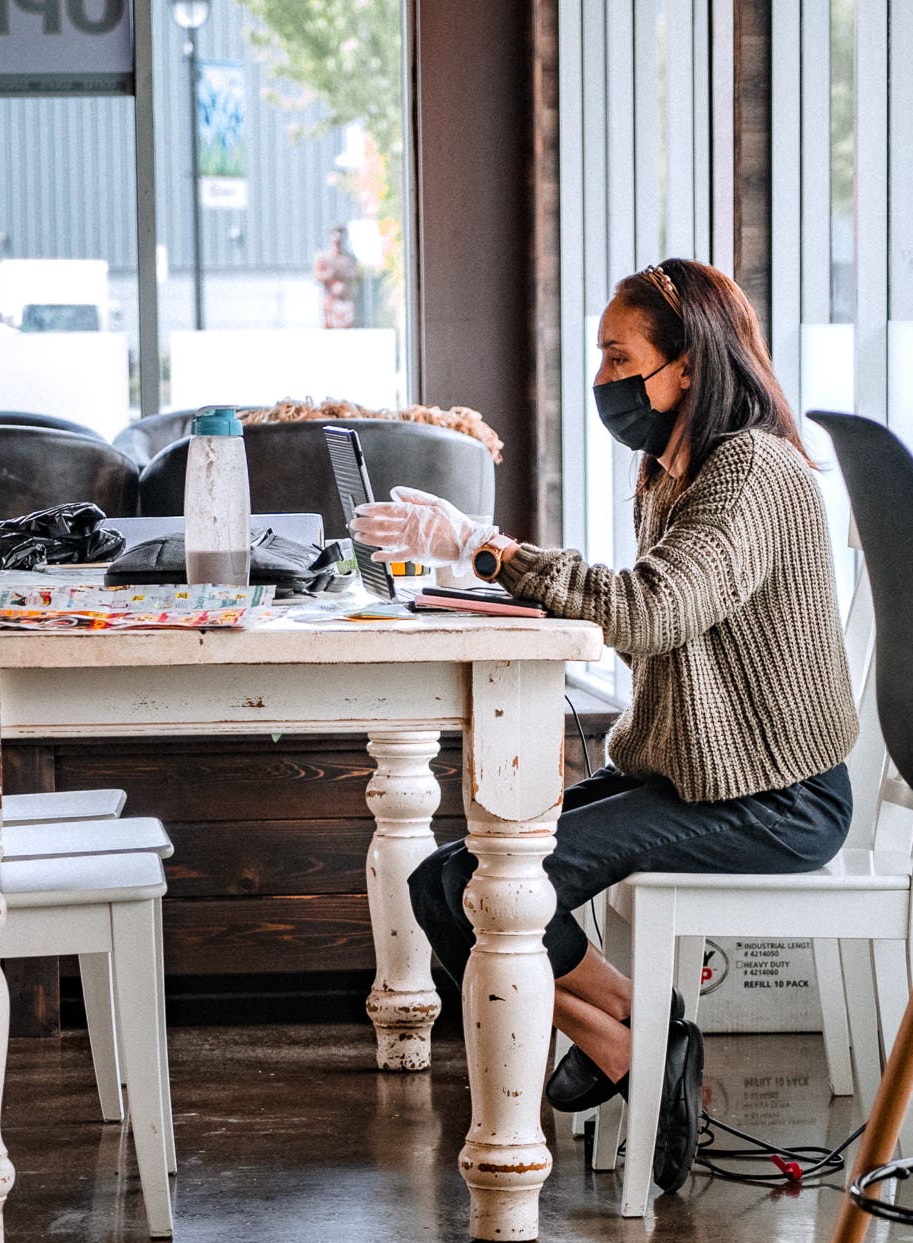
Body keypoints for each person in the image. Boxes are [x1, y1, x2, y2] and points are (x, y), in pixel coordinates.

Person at [352, 257, 859, 1195]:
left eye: (618, 357)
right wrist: (489, 572)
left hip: (771, 797)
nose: (602, 381)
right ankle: (637, 1037)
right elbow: (657, 631)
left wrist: (489, 550)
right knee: (442, 882)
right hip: (690, 773)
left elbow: (646, 612)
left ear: (689, 368)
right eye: (599, 358)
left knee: (477, 891)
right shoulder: (670, 474)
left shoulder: (749, 469)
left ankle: (636, 1048)